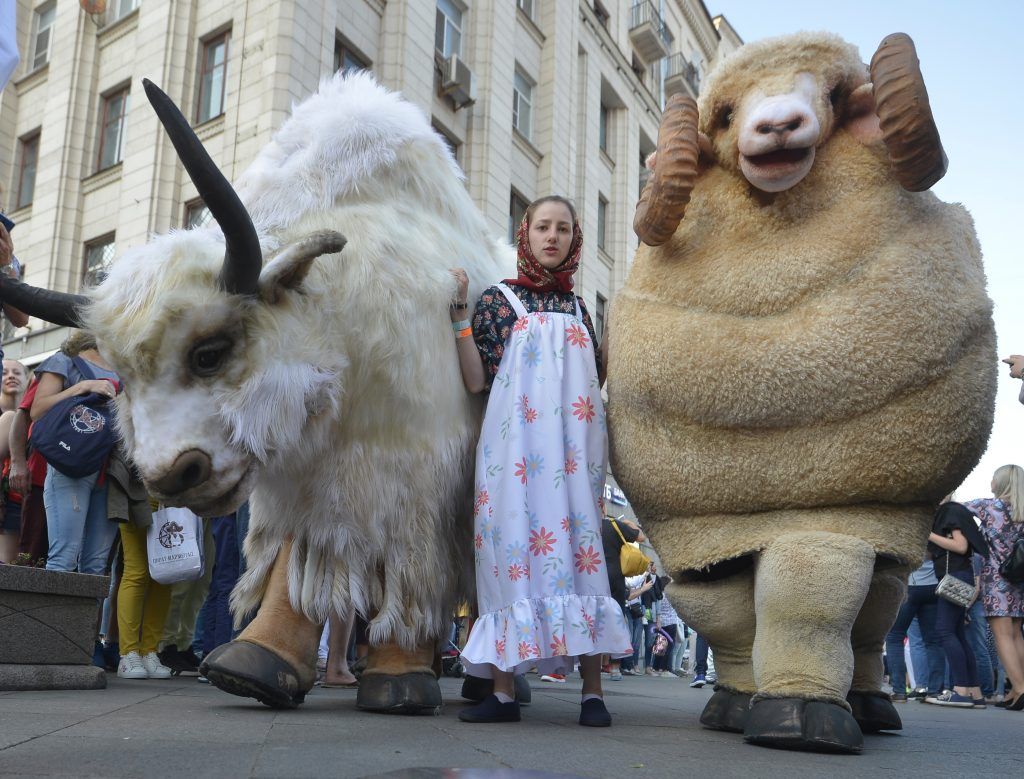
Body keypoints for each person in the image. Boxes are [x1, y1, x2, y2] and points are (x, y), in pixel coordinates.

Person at [451, 196, 632, 726]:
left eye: (564, 229)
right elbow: (475, 382)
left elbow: (590, 384)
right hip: (512, 453)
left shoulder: (581, 310)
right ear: (524, 234)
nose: (552, 237)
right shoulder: (497, 302)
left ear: (575, 240)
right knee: (510, 559)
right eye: (542, 228)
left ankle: (593, 695)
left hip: (575, 455)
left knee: (582, 559)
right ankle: (503, 693)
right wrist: (460, 316)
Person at [30, 331, 120, 574]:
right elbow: (37, 411)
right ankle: (50, 614)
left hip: (114, 472)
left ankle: (85, 615)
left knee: (97, 567)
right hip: (70, 466)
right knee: (63, 559)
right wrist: (82, 387)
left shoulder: (129, 368)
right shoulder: (65, 359)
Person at [962, 465, 1024, 711]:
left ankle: (1019, 688)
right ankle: (1014, 689)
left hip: (996, 579)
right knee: (1016, 634)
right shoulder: (1021, 509)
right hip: (1020, 578)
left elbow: (953, 509)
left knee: (1001, 635)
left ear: (999, 483)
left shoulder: (989, 506)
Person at [925, 499, 986, 707]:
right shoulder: (954, 510)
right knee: (957, 633)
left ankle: (960, 689)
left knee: (945, 631)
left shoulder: (949, 511)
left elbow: (960, 546)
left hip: (955, 577)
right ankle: (975, 692)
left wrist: (927, 533)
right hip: (960, 575)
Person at [883, 559, 944, 702]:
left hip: (909, 584)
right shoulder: (938, 535)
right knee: (933, 642)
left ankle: (899, 691)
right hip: (933, 586)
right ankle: (934, 691)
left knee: (894, 637)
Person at [600, 515, 644, 681]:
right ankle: (615, 667)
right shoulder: (614, 525)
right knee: (616, 620)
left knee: (591, 619)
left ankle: (587, 667)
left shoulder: (586, 523)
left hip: (592, 575)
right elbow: (640, 536)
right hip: (614, 578)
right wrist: (628, 523)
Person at [0, 359, 29, 562]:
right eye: (5, 372)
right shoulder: (7, 417)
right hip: (7, 503)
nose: (11, 376)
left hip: (25, 502)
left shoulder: (35, 417)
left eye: (17, 373)